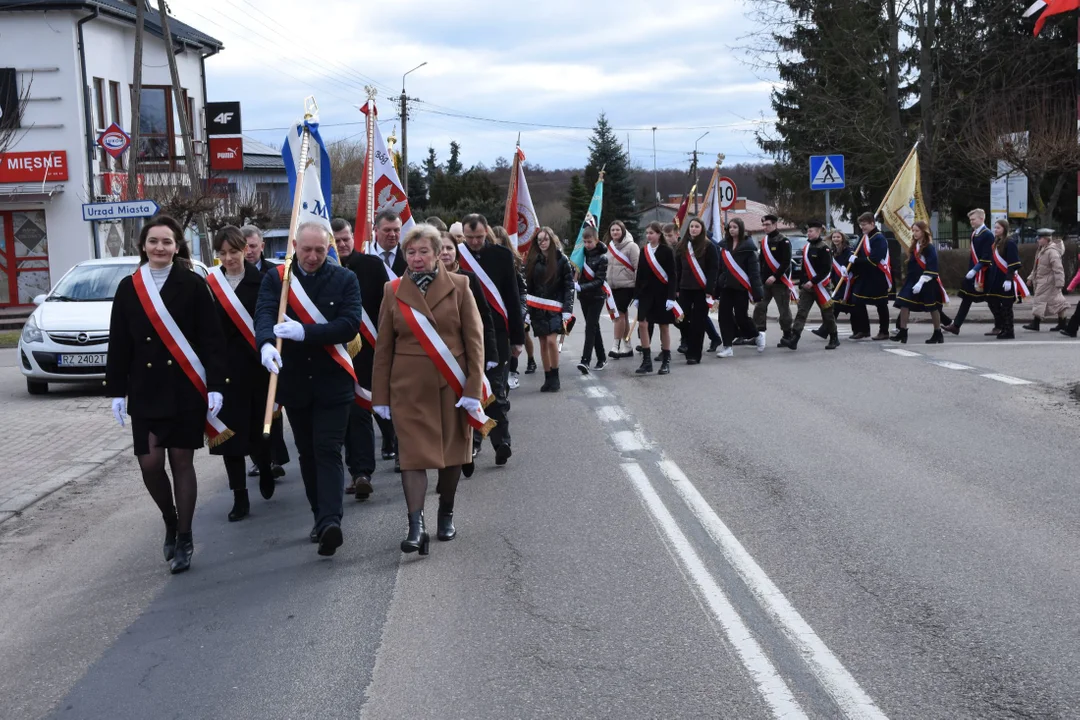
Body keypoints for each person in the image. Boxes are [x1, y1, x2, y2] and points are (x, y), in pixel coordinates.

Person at [105, 215, 226, 574]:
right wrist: (116, 391)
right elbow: (119, 343)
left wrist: (216, 384)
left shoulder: (192, 284)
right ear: (143, 245)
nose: (160, 247)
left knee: (181, 462)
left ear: (177, 247)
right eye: (153, 241)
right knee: (150, 464)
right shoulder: (129, 287)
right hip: (145, 391)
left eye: (167, 242)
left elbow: (212, 340)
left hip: (185, 389)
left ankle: (185, 538)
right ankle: (170, 519)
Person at [371, 224, 488, 556]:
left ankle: (446, 512)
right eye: (411, 252)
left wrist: (473, 388)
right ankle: (415, 525)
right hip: (408, 389)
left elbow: (475, 343)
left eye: (424, 251)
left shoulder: (461, 286)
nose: (417, 258)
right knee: (412, 458)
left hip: (452, 387)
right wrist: (380, 396)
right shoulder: (392, 291)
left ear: (439, 255)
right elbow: (384, 348)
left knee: (452, 457)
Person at [255, 222, 362, 557]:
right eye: (306, 249)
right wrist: (265, 345)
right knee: (307, 453)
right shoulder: (277, 279)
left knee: (327, 449)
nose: (313, 256)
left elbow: (349, 324)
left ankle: (331, 521)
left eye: (320, 249)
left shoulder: (345, 279)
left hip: (333, 382)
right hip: (296, 383)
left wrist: (307, 332)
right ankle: (319, 516)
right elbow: (264, 313)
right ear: (294, 246)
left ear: (329, 246)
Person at [206, 226, 276, 522]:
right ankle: (239, 496)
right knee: (229, 435)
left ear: (245, 250)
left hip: (256, 367)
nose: (229, 258)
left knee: (258, 431)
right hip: (224, 371)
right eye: (222, 253)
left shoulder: (263, 281)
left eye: (233, 252)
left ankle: (265, 464)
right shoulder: (210, 284)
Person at [457, 213, 525, 466]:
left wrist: (518, 338)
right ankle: (473, 444)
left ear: (487, 232)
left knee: (496, 392)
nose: (474, 241)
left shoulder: (502, 255)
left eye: (478, 236)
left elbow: (512, 297)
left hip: (498, 333)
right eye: (469, 237)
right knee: (472, 391)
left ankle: (502, 442)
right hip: (465, 334)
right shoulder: (456, 255)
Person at [333, 217, 382, 498]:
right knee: (349, 415)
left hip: (368, 351)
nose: (341, 245)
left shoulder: (372, 266)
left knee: (363, 410)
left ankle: (363, 471)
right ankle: (356, 471)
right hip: (334, 353)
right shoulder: (324, 269)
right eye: (336, 240)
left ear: (353, 237)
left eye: (345, 239)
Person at [241, 225, 289, 478]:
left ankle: (274, 457)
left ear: (262, 246)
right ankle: (259, 458)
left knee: (274, 404)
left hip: (272, 345)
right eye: (244, 246)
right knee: (252, 408)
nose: (248, 251)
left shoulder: (276, 272)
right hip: (245, 350)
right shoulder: (231, 274)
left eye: (253, 245)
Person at [524, 226, 575, 390]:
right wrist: (526, 310)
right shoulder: (533, 260)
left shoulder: (562, 260)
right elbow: (528, 287)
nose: (542, 243)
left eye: (545, 239)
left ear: (552, 240)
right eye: (539, 240)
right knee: (543, 343)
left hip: (555, 307)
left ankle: (555, 376)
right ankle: (547, 377)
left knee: (552, 341)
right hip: (537, 308)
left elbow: (569, 286)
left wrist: (568, 309)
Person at [783, 220, 839, 350]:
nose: (808, 233)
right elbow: (803, 268)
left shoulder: (824, 248)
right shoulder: (807, 247)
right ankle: (794, 339)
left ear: (818, 232)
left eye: (811, 231)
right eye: (807, 231)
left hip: (821, 287)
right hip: (807, 288)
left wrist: (812, 282)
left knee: (827, 314)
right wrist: (802, 283)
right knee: (801, 312)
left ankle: (834, 337)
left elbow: (826, 270)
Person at [489, 225, 534, 385]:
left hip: (511, 308)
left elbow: (522, 289)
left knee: (515, 340)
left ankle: (513, 372)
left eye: (501, 244)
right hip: (494, 309)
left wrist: (521, 311)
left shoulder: (513, 261)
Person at [890, 220, 946, 344]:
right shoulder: (914, 246)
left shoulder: (929, 248)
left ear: (923, 231)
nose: (914, 233)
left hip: (927, 281)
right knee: (904, 303)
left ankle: (938, 333)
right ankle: (903, 332)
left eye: (917, 231)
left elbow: (932, 267)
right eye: (913, 231)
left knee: (933, 307)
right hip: (912, 281)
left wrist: (921, 282)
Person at [714, 217, 764, 357]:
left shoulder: (748, 248)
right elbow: (720, 268)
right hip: (726, 287)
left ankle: (757, 335)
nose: (732, 230)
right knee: (723, 316)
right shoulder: (724, 246)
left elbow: (754, 273)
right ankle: (727, 347)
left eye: (735, 227)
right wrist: (716, 287)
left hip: (741, 288)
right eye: (730, 227)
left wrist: (757, 292)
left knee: (742, 317)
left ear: (741, 229)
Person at [633, 221, 678, 374]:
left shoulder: (666, 250)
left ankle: (666, 360)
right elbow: (640, 274)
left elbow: (672, 275)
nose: (648, 236)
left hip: (662, 293)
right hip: (646, 293)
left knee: (663, 326)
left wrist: (671, 297)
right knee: (643, 324)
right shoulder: (644, 250)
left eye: (651, 233)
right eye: (647, 233)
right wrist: (637, 295)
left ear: (659, 234)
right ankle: (646, 361)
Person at [942, 209, 994, 336]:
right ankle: (956, 326)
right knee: (966, 298)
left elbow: (987, 255)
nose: (971, 222)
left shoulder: (987, 234)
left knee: (992, 300)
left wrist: (975, 269)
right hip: (974, 272)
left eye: (973, 219)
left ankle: (1001, 323)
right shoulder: (974, 233)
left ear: (981, 219)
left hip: (984, 272)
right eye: (970, 220)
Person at [674, 218, 719, 364]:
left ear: (702, 229)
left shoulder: (708, 246)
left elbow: (713, 269)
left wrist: (709, 289)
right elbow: (678, 268)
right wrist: (676, 288)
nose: (693, 229)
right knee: (678, 319)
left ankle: (694, 354)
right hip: (684, 289)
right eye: (691, 226)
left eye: (697, 226)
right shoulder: (682, 245)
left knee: (698, 323)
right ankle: (689, 340)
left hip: (701, 289)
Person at [752, 214, 794, 348]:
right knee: (759, 307)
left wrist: (775, 276)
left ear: (775, 224)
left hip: (779, 282)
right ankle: (759, 334)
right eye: (763, 225)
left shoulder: (784, 241)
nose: (765, 227)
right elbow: (761, 261)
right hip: (765, 282)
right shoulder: (764, 241)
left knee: (783, 310)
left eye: (768, 224)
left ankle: (787, 334)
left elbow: (786, 262)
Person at [848, 213, 892, 341]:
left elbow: (875, 259)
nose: (862, 227)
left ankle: (884, 331)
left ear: (872, 223)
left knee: (881, 304)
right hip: (864, 275)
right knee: (857, 301)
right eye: (861, 225)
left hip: (877, 275)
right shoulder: (863, 237)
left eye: (864, 224)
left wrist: (856, 261)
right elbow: (856, 251)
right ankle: (864, 330)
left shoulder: (879, 238)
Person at [575, 226, 609, 373]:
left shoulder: (603, 258)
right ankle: (602, 358)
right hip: (583, 297)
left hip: (597, 296)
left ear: (596, 240)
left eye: (590, 242)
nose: (587, 244)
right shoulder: (580, 256)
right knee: (594, 327)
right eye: (585, 242)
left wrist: (582, 287)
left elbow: (599, 280)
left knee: (589, 327)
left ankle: (585, 360)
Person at [1022, 228, 1069, 333]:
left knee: (1039, 300)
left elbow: (1058, 268)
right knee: (1059, 303)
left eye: (1039, 238)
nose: (1037, 240)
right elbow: (1037, 267)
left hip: (1048, 282)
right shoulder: (1041, 250)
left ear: (1046, 239)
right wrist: (1030, 278)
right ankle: (1062, 324)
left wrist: (1060, 283)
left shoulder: (1051, 252)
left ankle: (1036, 323)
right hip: (1043, 280)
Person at [606, 219, 639, 359]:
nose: (615, 232)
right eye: (612, 230)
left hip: (627, 285)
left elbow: (638, 267)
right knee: (623, 316)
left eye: (617, 230)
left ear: (623, 231)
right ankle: (628, 346)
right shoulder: (609, 246)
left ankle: (616, 345)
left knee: (618, 314)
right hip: (612, 286)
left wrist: (638, 288)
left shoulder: (632, 246)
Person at [815, 229, 853, 338]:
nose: (836, 239)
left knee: (839, 307)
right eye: (834, 237)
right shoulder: (832, 250)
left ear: (842, 238)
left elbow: (849, 264)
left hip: (846, 283)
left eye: (838, 237)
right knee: (835, 307)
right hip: (837, 282)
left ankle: (825, 330)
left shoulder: (848, 250)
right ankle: (825, 330)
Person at [372, 210, 407, 276]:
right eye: (387, 230)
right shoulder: (367, 254)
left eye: (396, 230)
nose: (392, 234)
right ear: (376, 230)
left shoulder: (409, 257)